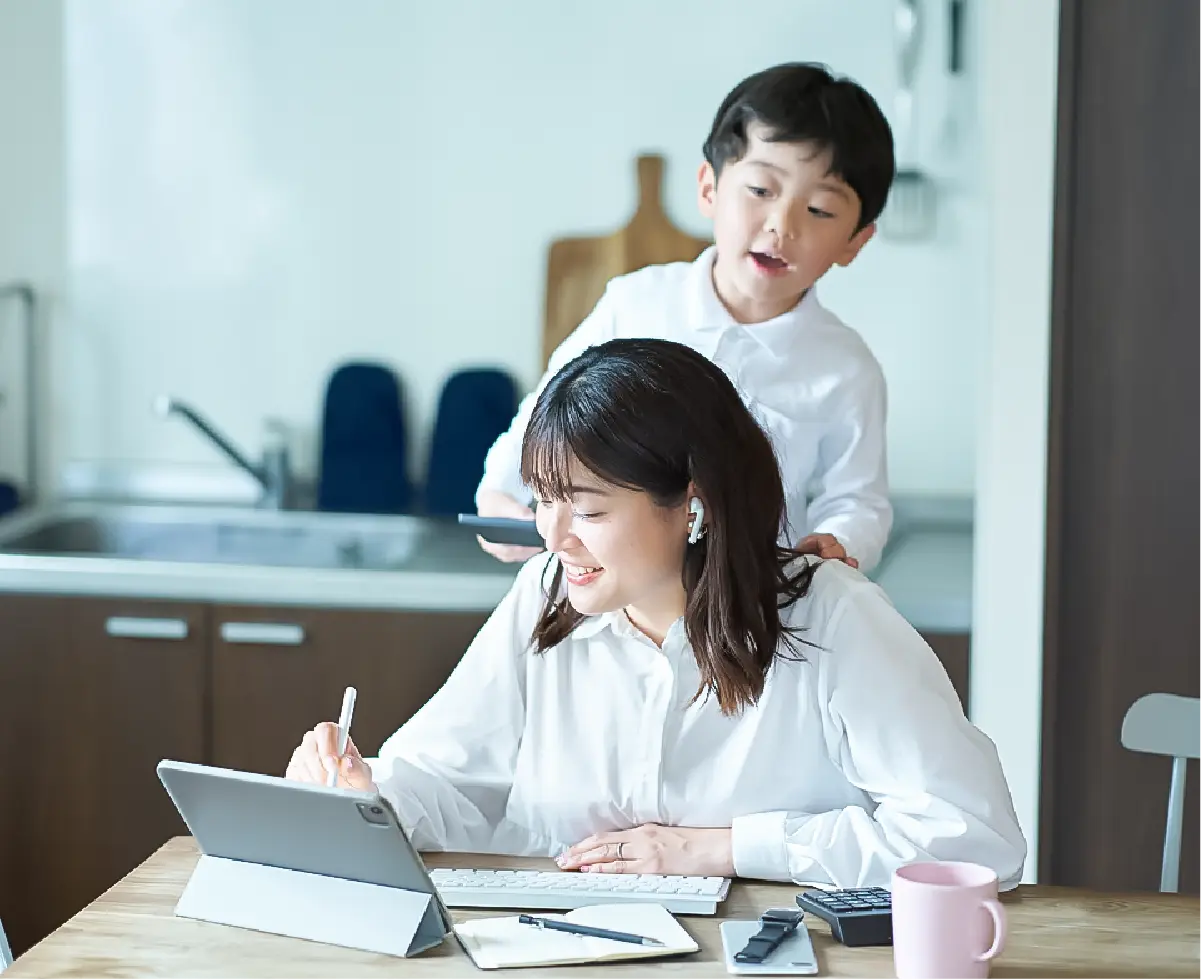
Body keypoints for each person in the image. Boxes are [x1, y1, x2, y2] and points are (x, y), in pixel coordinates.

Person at [287, 339, 1026, 889]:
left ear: (692, 506)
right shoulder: (545, 595)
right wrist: (365, 792)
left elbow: (973, 838)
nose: (553, 536)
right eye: (543, 500)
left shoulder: (833, 617)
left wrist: (724, 848)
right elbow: (444, 780)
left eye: (588, 509)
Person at [476, 62, 896, 572]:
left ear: (855, 241)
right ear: (709, 189)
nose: (781, 226)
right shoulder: (636, 303)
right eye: (760, 191)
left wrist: (838, 541)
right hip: (611, 593)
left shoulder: (847, 369)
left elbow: (858, 500)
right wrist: (501, 491)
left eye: (820, 210)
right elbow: (547, 411)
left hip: (754, 604)